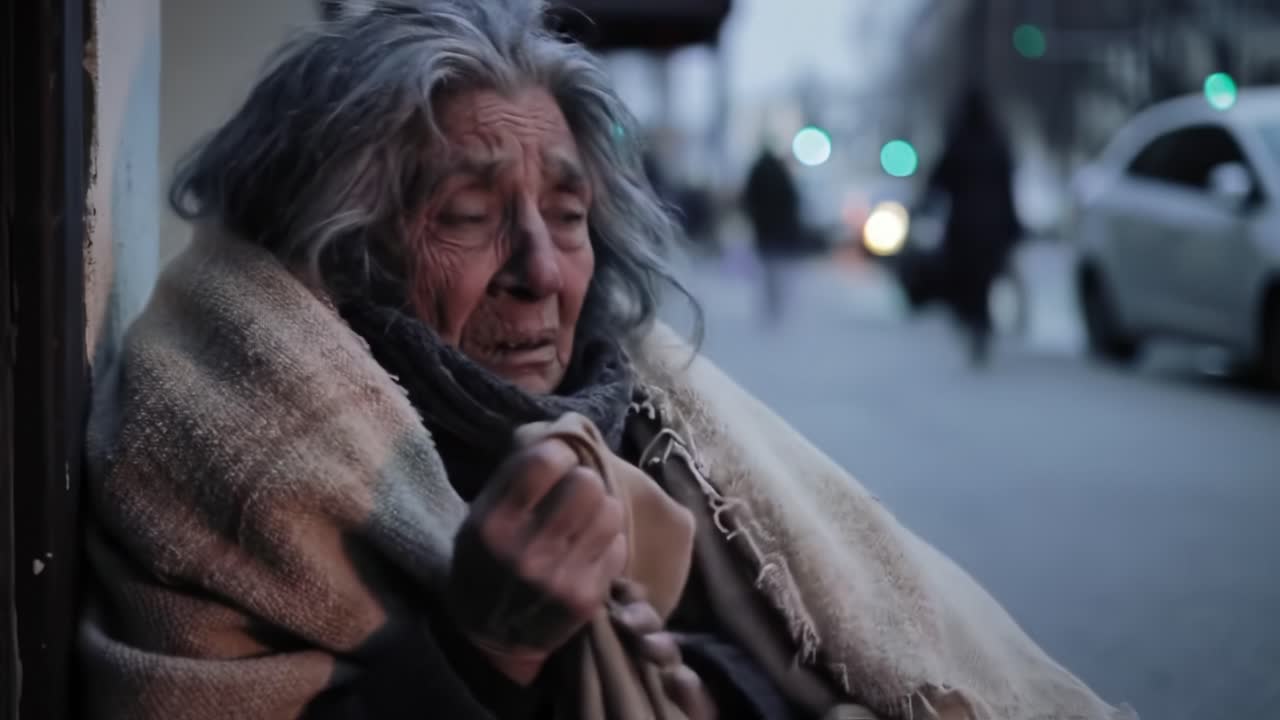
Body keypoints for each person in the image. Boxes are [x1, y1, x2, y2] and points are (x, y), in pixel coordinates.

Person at [79, 3, 1135, 719]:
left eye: (569, 215)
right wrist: (474, 653)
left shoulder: (656, 417)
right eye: (466, 215)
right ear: (338, 251)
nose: (540, 272)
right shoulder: (228, 455)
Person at [926, 89, 1023, 366]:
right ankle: (981, 325)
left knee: (966, 280)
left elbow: (937, 181)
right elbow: (1008, 188)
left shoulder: (958, 142)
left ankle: (974, 323)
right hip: (993, 227)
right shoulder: (997, 144)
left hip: (964, 228)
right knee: (984, 281)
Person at [742, 146, 802, 325]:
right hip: (780, 229)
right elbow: (792, 202)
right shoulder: (782, 174)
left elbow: (748, 198)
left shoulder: (757, 172)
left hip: (763, 228)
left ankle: (769, 302)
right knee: (778, 268)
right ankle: (776, 302)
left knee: (768, 267)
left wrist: (754, 217)